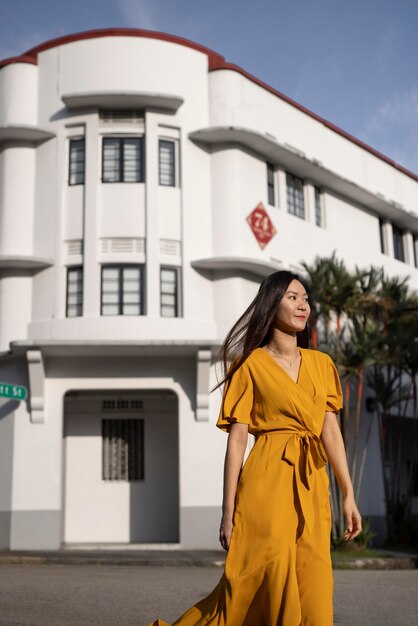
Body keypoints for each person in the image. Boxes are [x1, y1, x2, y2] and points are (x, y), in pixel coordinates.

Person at [149, 270, 362, 626]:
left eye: (306, 299)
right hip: (265, 484)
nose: (302, 305)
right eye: (292, 297)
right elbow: (236, 442)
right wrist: (228, 511)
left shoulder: (322, 365)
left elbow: (331, 432)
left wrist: (348, 492)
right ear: (271, 303)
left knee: (316, 583)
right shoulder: (249, 365)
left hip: (311, 483)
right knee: (266, 580)